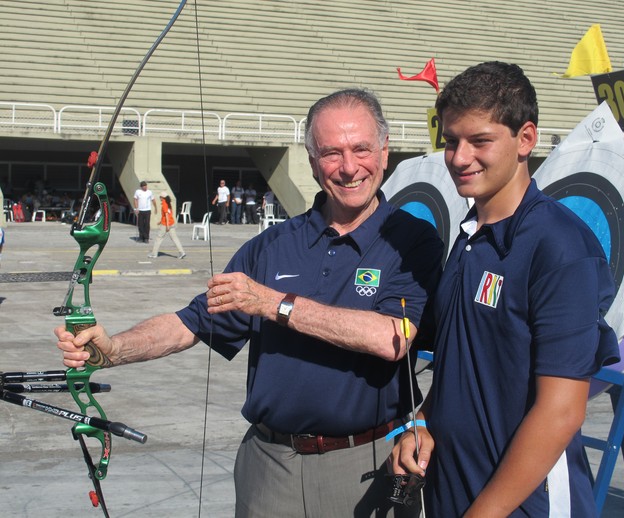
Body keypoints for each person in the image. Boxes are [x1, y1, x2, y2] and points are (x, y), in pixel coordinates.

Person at [57, 88, 444, 517]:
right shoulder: (270, 247)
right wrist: (114, 350)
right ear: (312, 161)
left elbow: (392, 337)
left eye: (361, 149)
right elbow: (192, 323)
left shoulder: (412, 240)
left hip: (368, 464)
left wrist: (273, 303)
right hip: (270, 467)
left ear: (385, 152)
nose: (349, 167)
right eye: (331, 152)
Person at [390, 62, 620, 517]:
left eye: (480, 141)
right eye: (451, 140)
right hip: (453, 492)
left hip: (521, 506)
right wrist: (424, 420)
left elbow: (561, 412)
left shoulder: (559, 246)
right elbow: (467, 363)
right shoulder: (469, 237)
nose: (459, 157)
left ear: (526, 139)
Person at [148, 191, 186, 259]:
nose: (160, 198)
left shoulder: (164, 204)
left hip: (165, 224)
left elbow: (166, 215)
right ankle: (182, 252)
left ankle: (154, 253)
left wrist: (167, 225)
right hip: (171, 223)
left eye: (160, 197)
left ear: (162, 197)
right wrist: (160, 221)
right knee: (175, 238)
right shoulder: (169, 204)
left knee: (158, 238)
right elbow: (167, 215)